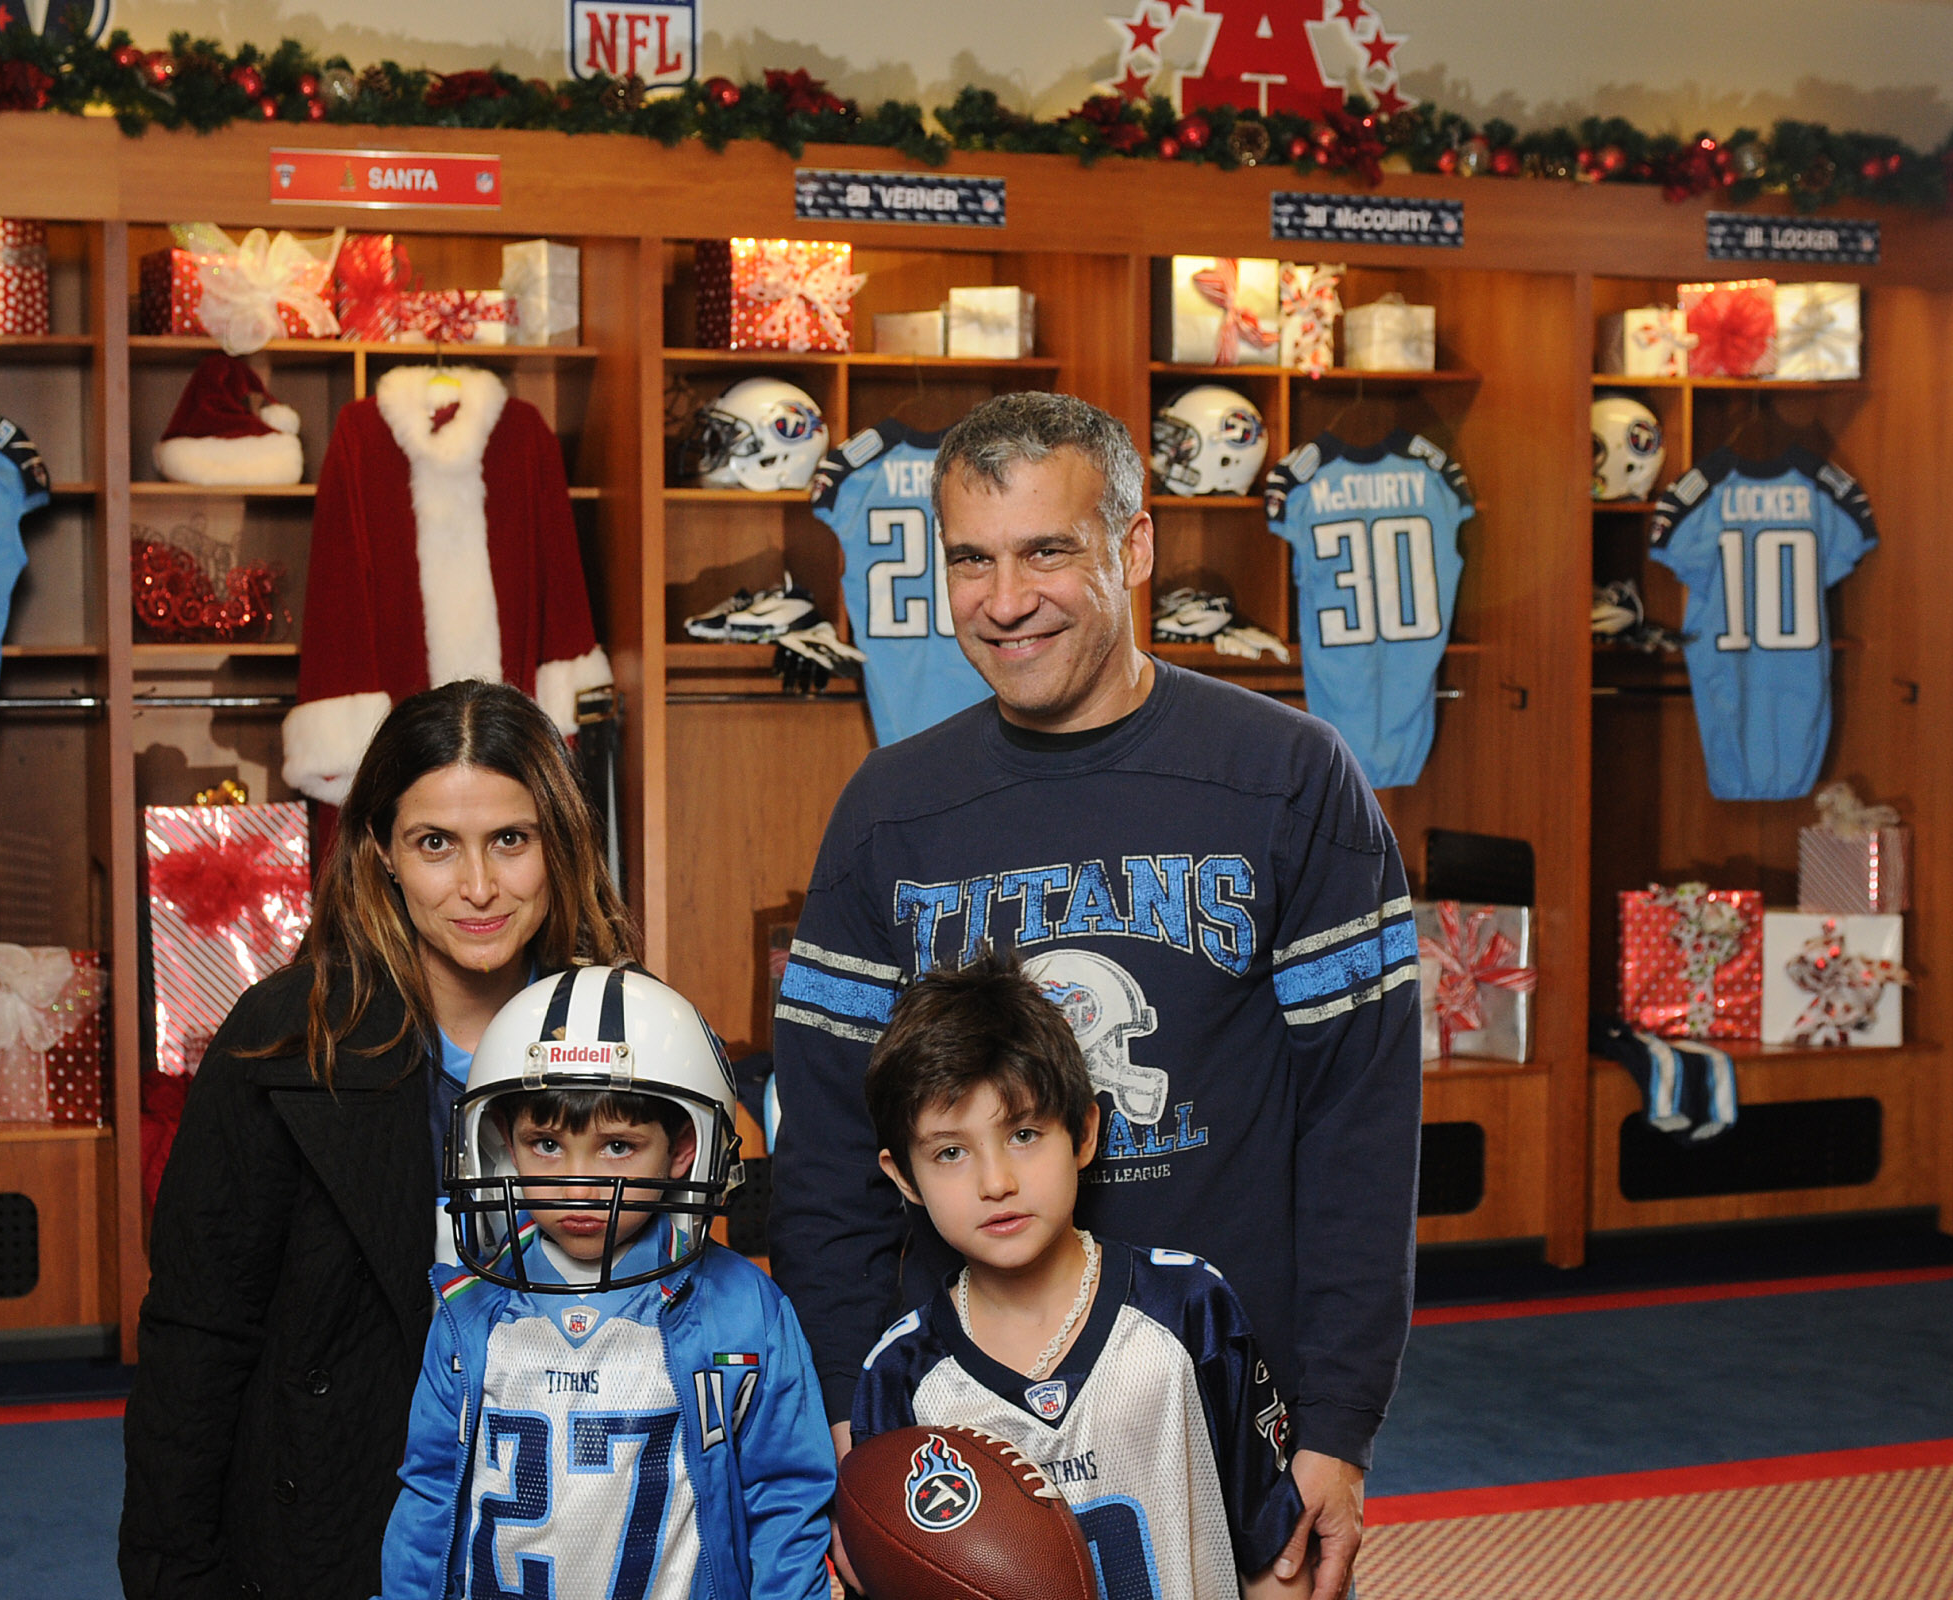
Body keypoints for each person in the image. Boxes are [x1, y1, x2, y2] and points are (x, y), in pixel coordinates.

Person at [770, 392, 1420, 1600]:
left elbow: (1360, 1127)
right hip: (960, 1418)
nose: (1004, 600)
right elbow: (825, 1147)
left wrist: (1339, 1422)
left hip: (1228, 1400)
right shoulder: (889, 812)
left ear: (1134, 546)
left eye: (1045, 551)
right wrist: (851, 1412)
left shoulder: (1290, 777)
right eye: (972, 559)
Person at [120, 680, 636, 1600]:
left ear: (559, 845)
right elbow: (197, 1335)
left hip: (572, 1518)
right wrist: (176, 1576)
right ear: (382, 853)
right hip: (337, 1524)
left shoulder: (630, 1034)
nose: (478, 887)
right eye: (436, 844)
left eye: (510, 841)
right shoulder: (282, 1040)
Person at [853, 952, 1309, 1600]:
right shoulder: (900, 1375)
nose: (995, 1182)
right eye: (951, 1152)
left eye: (1024, 1134)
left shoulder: (1189, 1310)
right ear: (904, 1177)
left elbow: (1274, 1557)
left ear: (1085, 1131)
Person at [380, 965, 836, 1600]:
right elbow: (430, 1494)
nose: (578, 1184)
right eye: (546, 1144)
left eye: (617, 1146)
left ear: (683, 1151)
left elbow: (785, 1499)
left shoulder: (742, 1311)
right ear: (504, 1144)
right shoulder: (469, 1310)